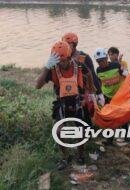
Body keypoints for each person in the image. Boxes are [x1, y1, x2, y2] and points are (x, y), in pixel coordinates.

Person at [36, 41, 86, 170]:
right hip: (61, 102)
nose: (61, 64)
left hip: (76, 100)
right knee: (58, 132)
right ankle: (65, 156)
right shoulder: (53, 68)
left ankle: (80, 155)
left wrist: (89, 94)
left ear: (69, 57)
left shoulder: (78, 65)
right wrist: (47, 66)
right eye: (59, 61)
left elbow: (88, 76)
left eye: (64, 61)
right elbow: (38, 85)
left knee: (81, 131)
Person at [62, 32, 104, 123]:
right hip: (70, 91)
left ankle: (89, 131)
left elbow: (92, 74)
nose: (66, 47)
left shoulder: (82, 57)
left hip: (85, 90)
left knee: (87, 113)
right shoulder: (64, 57)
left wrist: (99, 93)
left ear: (74, 44)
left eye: (68, 44)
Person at [94, 47, 128, 144]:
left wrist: (124, 70)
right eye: (99, 61)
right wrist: (98, 95)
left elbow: (125, 75)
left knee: (123, 116)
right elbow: (99, 82)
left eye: (103, 60)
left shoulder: (115, 65)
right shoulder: (98, 70)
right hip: (107, 97)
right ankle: (109, 140)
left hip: (119, 96)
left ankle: (125, 136)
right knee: (108, 118)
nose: (101, 63)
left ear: (106, 58)